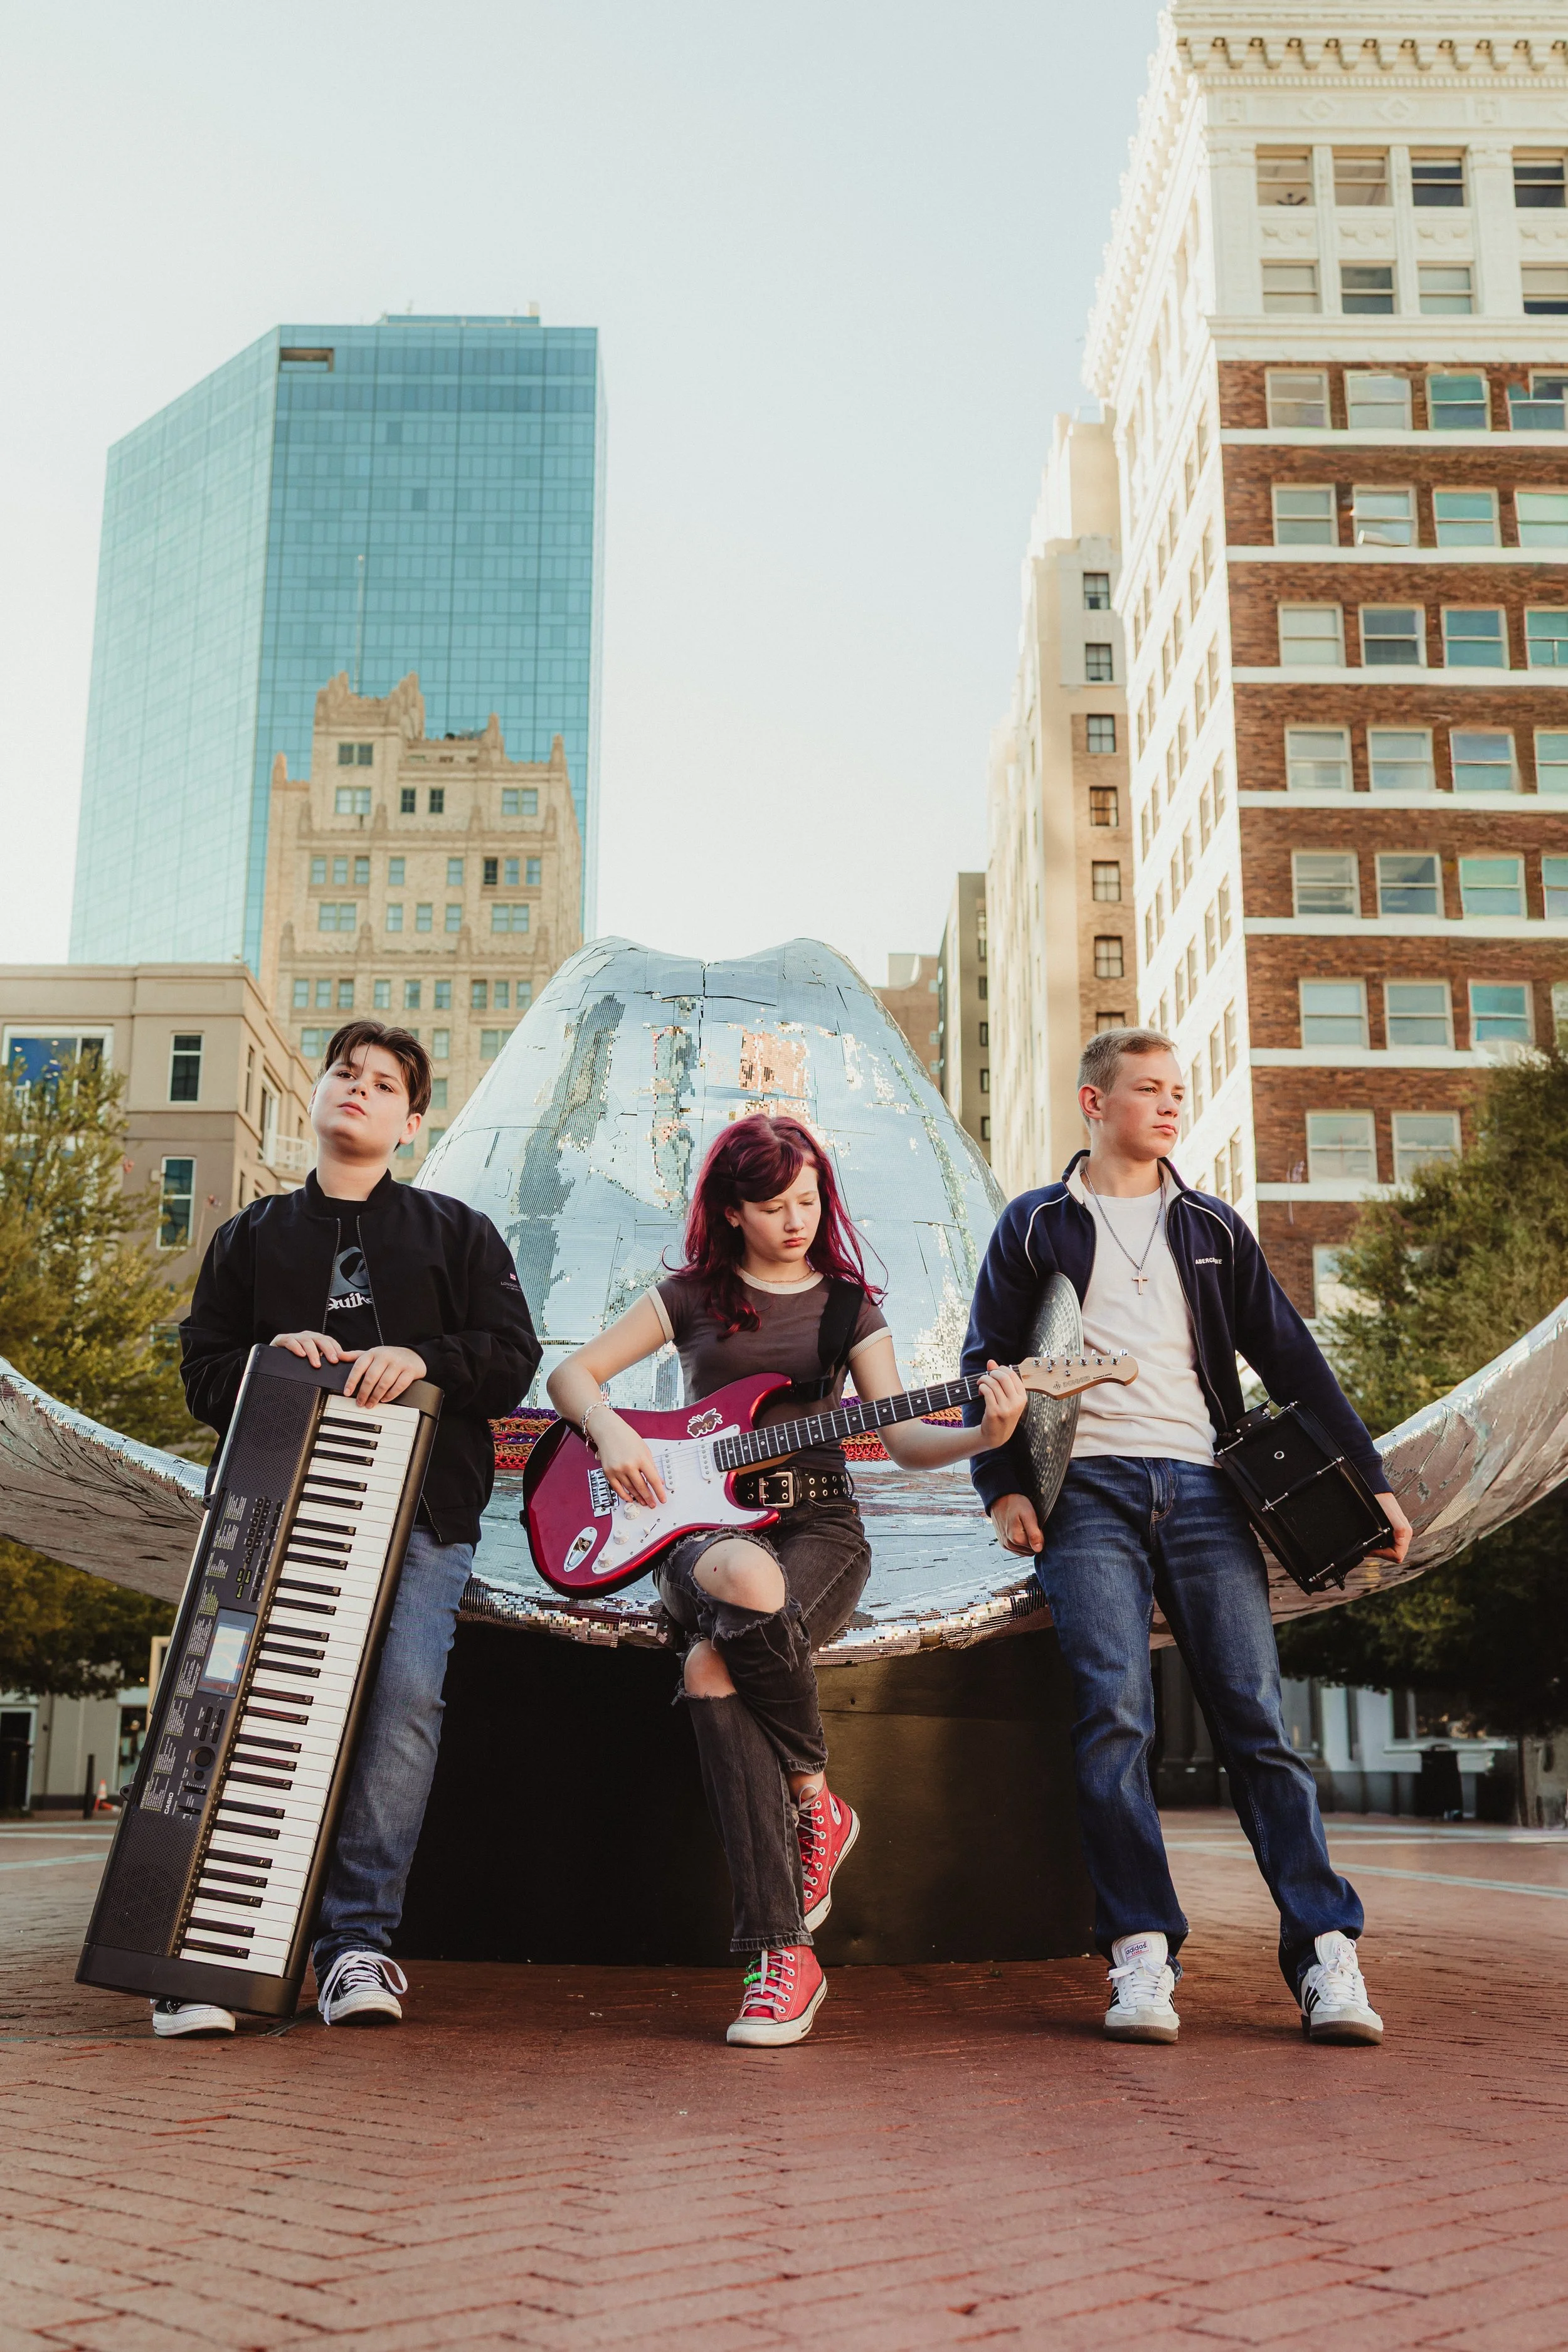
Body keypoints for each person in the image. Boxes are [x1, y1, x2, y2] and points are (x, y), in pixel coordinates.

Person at [961, 1027, 1412, 2048]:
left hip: (1208, 1492)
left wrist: (1372, 1481)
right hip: (1085, 1497)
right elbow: (985, 1359)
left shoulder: (1212, 1225)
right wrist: (1002, 1485)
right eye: (1150, 1089)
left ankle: (1326, 1950)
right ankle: (1140, 1951)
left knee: (1258, 1721)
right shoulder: (1035, 1226)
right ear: (1094, 1101)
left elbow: (1293, 1360)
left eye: (1179, 1091)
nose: (1171, 1105)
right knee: (1112, 1718)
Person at [548, 1112, 1027, 2047]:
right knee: (737, 1575)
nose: (797, 1218)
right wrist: (611, 1433)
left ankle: (782, 1957)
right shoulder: (690, 1295)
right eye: (773, 1204)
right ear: (731, 1211)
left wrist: (983, 1432)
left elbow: (901, 1435)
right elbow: (574, 1375)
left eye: (809, 1199)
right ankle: (818, 1797)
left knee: (709, 1671)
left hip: (818, 1525)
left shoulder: (849, 1308)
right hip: (693, 1534)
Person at [157, 1019, 541, 2038]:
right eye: (345, 1074)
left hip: (424, 1516)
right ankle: (204, 1951)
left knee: (403, 1700)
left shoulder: (458, 1233)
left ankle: (355, 1947)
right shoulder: (249, 1238)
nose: (359, 1091)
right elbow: (201, 1373)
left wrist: (423, 1360)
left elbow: (510, 1360)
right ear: (321, 1095)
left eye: (384, 1084)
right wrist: (265, 1359)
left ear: (412, 1122)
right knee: (233, 1700)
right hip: (265, 1513)